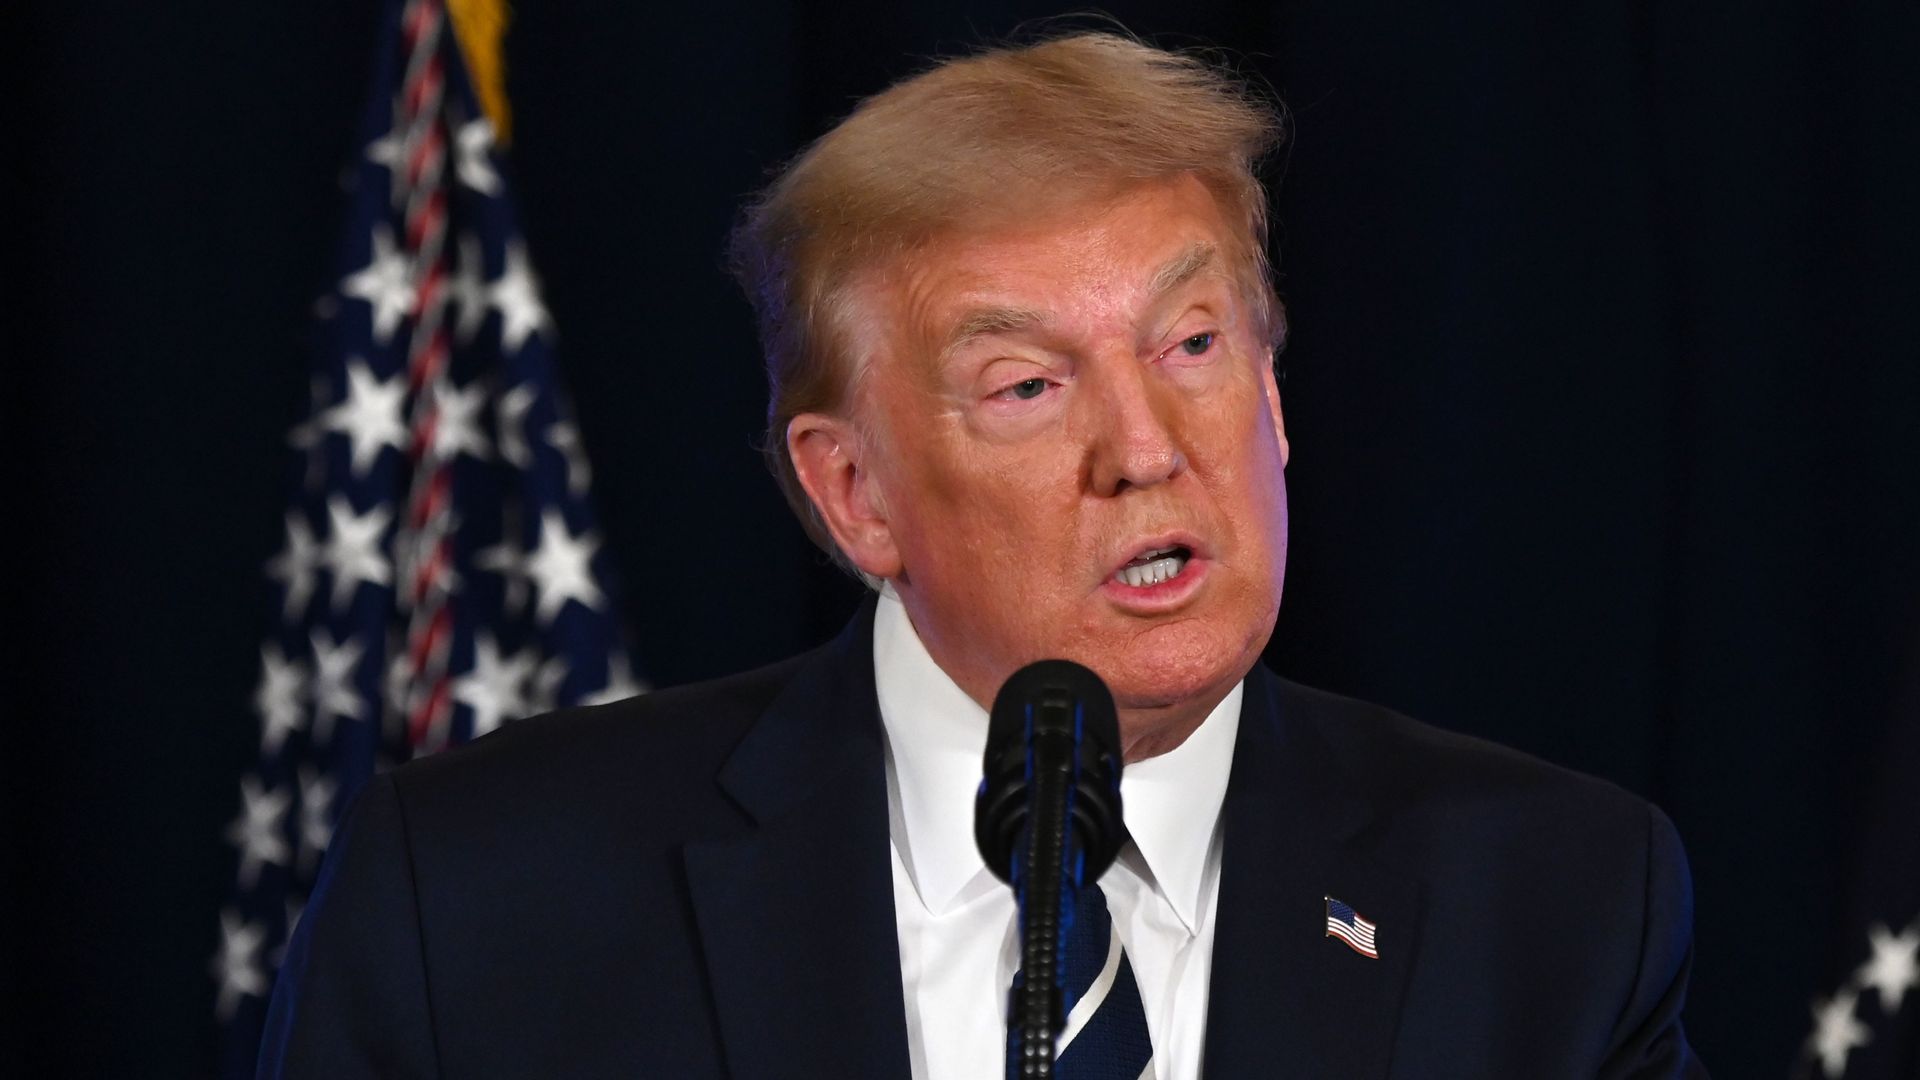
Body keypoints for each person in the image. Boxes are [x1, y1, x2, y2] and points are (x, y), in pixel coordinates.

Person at [259, 31, 1707, 1080]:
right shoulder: (484, 902)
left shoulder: (1556, 909)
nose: (1145, 448)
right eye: (1028, 385)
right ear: (853, 495)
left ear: (1270, 396)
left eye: (1193, 346)